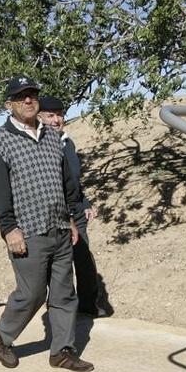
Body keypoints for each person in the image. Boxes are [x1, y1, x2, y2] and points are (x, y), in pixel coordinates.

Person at [0, 76, 94, 372]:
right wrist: (9, 228)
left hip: (59, 227)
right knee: (32, 294)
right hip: (27, 231)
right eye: (21, 97)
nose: (29, 100)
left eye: (32, 95)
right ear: (10, 104)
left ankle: (62, 351)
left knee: (63, 294)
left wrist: (72, 217)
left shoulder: (52, 137)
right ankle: (3, 334)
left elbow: (67, 182)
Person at [37, 96, 111, 318]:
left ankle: (88, 303)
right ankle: (58, 307)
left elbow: (73, 181)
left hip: (76, 211)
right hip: (55, 214)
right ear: (40, 117)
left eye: (60, 115)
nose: (56, 120)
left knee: (84, 259)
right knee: (58, 264)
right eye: (51, 115)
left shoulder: (68, 143)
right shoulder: (39, 144)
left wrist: (85, 203)